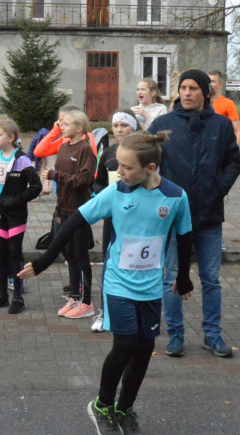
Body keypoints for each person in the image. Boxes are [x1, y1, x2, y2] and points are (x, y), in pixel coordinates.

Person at [19, 131, 194, 435]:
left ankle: (124, 409)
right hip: (118, 284)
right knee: (125, 344)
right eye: (120, 166)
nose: (120, 173)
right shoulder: (116, 193)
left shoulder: (175, 197)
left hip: (151, 288)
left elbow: (184, 236)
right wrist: (45, 260)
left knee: (143, 349)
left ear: (151, 168)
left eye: (127, 167)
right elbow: (74, 222)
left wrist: (182, 279)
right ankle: (102, 405)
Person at [149, 69, 240, 358]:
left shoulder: (221, 126)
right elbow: (148, 163)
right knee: (172, 276)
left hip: (209, 215)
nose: (187, 93)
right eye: (183, 88)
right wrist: (159, 194)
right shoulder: (163, 125)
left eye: (193, 88)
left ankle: (212, 334)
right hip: (173, 216)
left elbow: (233, 163)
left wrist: (218, 189)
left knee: (211, 278)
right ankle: (175, 334)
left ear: (205, 93)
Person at [0, 118, 42, 313]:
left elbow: (36, 187)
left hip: (16, 214)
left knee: (15, 253)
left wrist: (16, 200)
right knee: (1, 253)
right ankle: (2, 296)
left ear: (11, 138)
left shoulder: (21, 159)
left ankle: (17, 298)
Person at [44, 109, 98, 319]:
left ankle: (86, 302)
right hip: (63, 210)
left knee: (80, 254)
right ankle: (75, 296)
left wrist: (54, 175)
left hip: (79, 211)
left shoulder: (85, 150)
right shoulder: (64, 147)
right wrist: (58, 210)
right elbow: (62, 186)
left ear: (79, 128)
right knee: (68, 254)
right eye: (60, 123)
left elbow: (84, 180)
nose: (61, 126)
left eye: (65, 123)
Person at [90, 110, 138, 331]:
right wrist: (105, 195)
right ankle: (105, 312)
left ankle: (137, 310)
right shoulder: (108, 152)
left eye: (124, 125)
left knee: (135, 265)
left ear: (134, 128)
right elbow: (97, 182)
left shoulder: (142, 152)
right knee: (110, 264)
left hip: (138, 220)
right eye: (115, 125)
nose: (119, 130)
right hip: (113, 219)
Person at [208, 70, 240, 145]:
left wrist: (234, 151)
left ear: (220, 85)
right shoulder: (200, 103)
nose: (210, 84)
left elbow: (238, 131)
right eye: (208, 81)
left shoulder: (228, 104)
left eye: (213, 81)